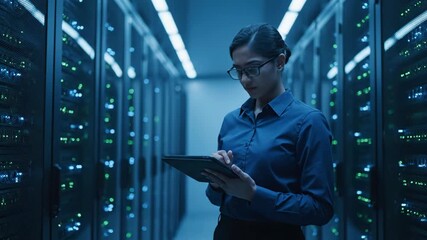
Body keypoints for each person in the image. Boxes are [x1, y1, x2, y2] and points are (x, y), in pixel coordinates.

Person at [201, 23, 334, 240]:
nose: (244, 79)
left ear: (279, 62)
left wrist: (254, 195)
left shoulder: (309, 122)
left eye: (252, 69)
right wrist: (216, 182)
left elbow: (320, 209)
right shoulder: (231, 121)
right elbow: (216, 199)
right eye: (239, 70)